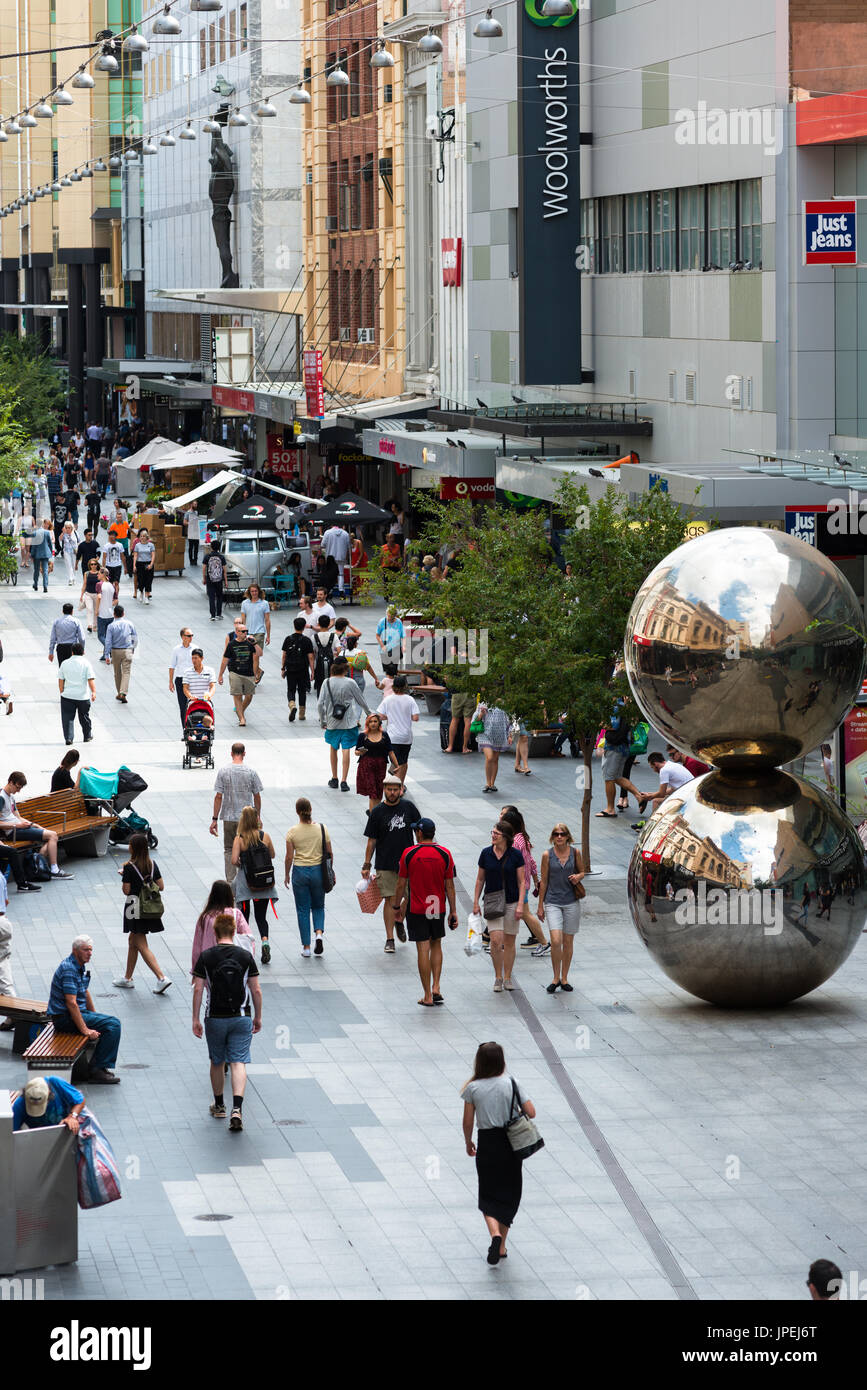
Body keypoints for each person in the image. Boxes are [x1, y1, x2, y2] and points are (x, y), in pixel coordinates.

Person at [461, 1041, 536, 1265]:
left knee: (488, 1193)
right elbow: (531, 1112)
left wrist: (468, 1142)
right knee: (511, 1193)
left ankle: (494, 1234)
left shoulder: (473, 1088)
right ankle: (502, 1244)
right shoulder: (512, 1082)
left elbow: (467, 1122)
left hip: (488, 1143)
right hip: (511, 1144)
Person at [192, 911, 263, 1131]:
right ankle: (238, 1109)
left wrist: (195, 1018)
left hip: (215, 1017)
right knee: (238, 1062)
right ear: (234, 931)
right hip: (241, 1017)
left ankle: (220, 1105)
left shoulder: (207, 956)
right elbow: (256, 989)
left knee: (217, 1061)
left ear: (214, 932)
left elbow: (198, 988)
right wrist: (258, 1016)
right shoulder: (245, 956)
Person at [394, 818, 457, 1006]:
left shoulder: (409, 853)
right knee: (436, 944)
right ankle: (436, 986)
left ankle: (427, 995)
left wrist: (397, 906)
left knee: (423, 948)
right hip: (436, 905)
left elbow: (400, 883)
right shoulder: (445, 854)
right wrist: (453, 911)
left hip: (417, 906)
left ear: (420, 833)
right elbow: (450, 886)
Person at [47, 934, 120, 1083]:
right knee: (113, 1024)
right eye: (86, 950)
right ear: (75, 950)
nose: (90, 953)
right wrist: (85, 1029)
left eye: (91, 950)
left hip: (76, 1013)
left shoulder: (78, 966)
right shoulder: (69, 969)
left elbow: (85, 992)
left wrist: (94, 1015)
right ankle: (97, 1070)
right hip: (65, 1018)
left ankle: (99, 1066)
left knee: (109, 1022)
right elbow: (71, 1003)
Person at [362, 774, 420, 953]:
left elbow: (419, 832)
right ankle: (390, 938)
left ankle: (399, 919)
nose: (393, 793)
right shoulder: (377, 812)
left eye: (396, 789)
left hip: (408, 863)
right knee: (389, 899)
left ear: (401, 790)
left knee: (411, 897)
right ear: (384, 790)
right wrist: (366, 864)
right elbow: (371, 840)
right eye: (389, 789)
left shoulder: (409, 807)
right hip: (385, 863)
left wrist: (421, 853)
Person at [113, 833, 172, 994]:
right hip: (149, 908)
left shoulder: (129, 867)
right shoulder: (152, 864)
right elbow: (161, 886)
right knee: (132, 940)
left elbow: (126, 891)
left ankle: (161, 977)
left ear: (133, 848)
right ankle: (127, 978)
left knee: (140, 943)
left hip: (134, 907)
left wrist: (125, 876)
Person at [473, 820, 525, 992]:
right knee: (496, 941)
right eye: (492, 832)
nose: (493, 836)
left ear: (506, 837)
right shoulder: (486, 853)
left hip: (511, 901)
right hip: (492, 901)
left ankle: (508, 977)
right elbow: (480, 879)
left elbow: (522, 882)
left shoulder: (516, 855)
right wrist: (475, 902)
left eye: (497, 833)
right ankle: (498, 976)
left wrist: (520, 905)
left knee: (509, 942)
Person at [537, 824, 584, 993]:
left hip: (571, 901)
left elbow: (583, 871)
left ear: (567, 836)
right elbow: (544, 881)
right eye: (556, 834)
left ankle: (564, 978)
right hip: (553, 901)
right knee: (556, 940)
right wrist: (540, 905)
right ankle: (555, 977)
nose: (559, 837)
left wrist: (578, 876)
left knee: (568, 941)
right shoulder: (547, 855)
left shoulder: (575, 853)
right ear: (552, 836)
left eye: (562, 834)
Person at [0, 771, 73, 879]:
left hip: (20, 828)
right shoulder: (1, 797)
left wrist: (34, 825)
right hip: (13, 831)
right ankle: (54, 869)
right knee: (52, 835)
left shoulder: (10, 796)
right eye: (18, 787)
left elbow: (18, 817)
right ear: (11, 782)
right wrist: (18, 826)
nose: (18, 791)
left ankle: (41, 858)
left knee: (52, 835)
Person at [284, 797, 332, 958]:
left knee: (303, 910)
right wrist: (331, 871)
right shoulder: (322, 828)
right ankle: (318, 933)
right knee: (318, 906)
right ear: (311, 810)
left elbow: (289, 857)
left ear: (297, 812)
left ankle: (306, 947)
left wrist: (286, 875)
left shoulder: (292, 832)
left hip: (300, 872)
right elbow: (330, 853)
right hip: (319, 871)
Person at [231, 805, 277, 964]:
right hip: (263, 884)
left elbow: (233, 860)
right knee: (261, 917)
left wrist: (243, 864)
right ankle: (265, 942)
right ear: (257, 818)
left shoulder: (240, 839)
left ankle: (246, 948)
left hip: (246, 884)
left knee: (244, 917)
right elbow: (272, 854)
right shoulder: (265, 836)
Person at [211, 743, 263, 883]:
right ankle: (247, 878)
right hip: (247, 819)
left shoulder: (223, 771)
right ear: (244, 753)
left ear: (231, 753)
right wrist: (257, 816)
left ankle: (230, 882)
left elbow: (218, 796)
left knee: (229, 849)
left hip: (228, 817)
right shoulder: (251, 772)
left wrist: (215, 819)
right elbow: (257, 796)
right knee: (248, 847)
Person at [319, 655, 371, 791]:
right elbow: (361, 700)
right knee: (346, 749)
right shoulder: (350, 682)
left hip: (332, 722)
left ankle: (334, 777)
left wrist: (323, 720)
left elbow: (320, 703)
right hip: (349, 722)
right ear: (346, 668)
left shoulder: (327, 682)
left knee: (333, 747)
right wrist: (369, 713)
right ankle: (344, 780)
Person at [500, 806, 548, 954]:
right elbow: (531, 862)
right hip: (523, 883)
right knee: (515, 913)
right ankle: (501, 942)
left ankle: (544, 943)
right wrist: (534, 879)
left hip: (518, 884)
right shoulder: (522, 838)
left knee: (525, 914)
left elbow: (515, 864)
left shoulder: (515, 842)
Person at [191, 880, 253, 974]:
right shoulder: (236, 914)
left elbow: (197, 946)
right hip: (234, 962)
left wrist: (196, 970)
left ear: (212, 896)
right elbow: (249, 938)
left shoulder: (205, 918)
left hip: (210, 963)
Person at [218, 617, 262, 727]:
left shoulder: (250, 643)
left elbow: (260, 654)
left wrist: (255, 643)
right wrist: (220, 675)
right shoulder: (232, 644)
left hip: (249, 673)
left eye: (246, 631)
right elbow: (225, 660)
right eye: (243, 631)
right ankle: (242, 718)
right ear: (237, 632)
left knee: (249, 696)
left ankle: (240, 710)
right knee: (237, 695)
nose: (245, 633)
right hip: (235, 672)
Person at [377, 673, 420, 784]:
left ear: (393, 686)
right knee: (404, 761)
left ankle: (396, 784)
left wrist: (390, 716)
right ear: (405, 686)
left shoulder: (388, 699)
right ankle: (400, 784)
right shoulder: (410, 700)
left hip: (392, 737)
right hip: (406, 736)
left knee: (396, 762)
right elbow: (415, 718)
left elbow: (380, 716)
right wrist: (405, 715)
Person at [12, 1075, 86, 1134]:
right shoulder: (19, 1105)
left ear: (49, 1094)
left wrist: (72, 1117)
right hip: (41, 1137)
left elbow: (80, 1100)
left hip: (67, 1129)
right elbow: (11, 1133)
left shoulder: (55, 1083)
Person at [355, 712, 398, 809]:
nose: (373, 723)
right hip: (367, 765)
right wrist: (360, 752)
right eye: (370, 721)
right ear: (367, 723)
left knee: (379, 792)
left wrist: (396, 765)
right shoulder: (363, 735)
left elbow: (390, 751)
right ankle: (372, 815)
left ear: (379, 723)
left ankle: (374, 811)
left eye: (375, 721)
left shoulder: (384, 735)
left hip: (381, 765)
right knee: (372, 792)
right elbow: (356, 751)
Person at [58, 642, 96, 746]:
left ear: (72, 652)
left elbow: (61, 679)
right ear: (83, 652)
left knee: (67, 718)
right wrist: (93, 692)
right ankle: (87, 735)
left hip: (67, 696)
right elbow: (90, 679)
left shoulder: (65, 663)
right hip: (82, 696)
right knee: (84, 717)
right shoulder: (86, 663)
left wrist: (61, 690)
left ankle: (69, 738)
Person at [281, 617, 315, 722]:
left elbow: (284, 655)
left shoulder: (288, 639)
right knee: (302, 691)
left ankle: (292, 705)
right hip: (303, 669)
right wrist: (312, 671)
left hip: (290, 668)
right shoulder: (307, 640)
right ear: (304, 627)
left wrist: (283, 668)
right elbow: (311, 657)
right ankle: (301, 714)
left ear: (294, 625)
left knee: (291, 689)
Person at [103, 603, 138, 703]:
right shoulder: (130, 624)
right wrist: (133, 648)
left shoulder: (111, 626)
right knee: (126, 672)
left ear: (114, 614)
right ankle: (123, 692)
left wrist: (107, 655)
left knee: (117, 673)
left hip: (115, 650)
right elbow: (135, 638)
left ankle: (120, 693)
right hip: (128, 650)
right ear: (123, 614)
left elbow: (108, 641)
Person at [475, 701, 512, 794]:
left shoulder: (505, 703)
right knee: (490, 757)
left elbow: (509, 720)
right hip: (485, 734)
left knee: (495, 759)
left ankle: (492, 784)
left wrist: (510, 735)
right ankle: (487, 783)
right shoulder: (483, 703)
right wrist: (481, 714)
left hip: (499, 735)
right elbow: (475, 720)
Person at [169, 626, 196, 726]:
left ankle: (194, 727)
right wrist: (170, 681)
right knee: (183, 706)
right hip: (180, 680)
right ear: (183, 637)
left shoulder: (195, 648)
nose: (191, 637)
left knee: (194, 703)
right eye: (188, 635)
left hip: (193, 679)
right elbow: (172, 666)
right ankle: (185, 729)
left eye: (192, 635)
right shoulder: (176, 649)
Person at [182, 648, 217, 720]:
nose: (194, 660)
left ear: (202, 658)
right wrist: (190, 696)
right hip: (193, 703)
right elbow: (185, 688)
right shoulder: (187, 672)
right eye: (192, 658)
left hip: (205, 702)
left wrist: (210, 695)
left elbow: (212, 686)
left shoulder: (210, 671)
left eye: (196, 658)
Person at [48, 601, 86, 666]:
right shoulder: (76, 621)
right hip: (72, 648)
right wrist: (82, 649)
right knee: (73, 667)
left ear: (62, 611)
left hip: (61, 648)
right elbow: (81, 638)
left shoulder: (56, 622)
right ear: (72, 611)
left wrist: (51, 652)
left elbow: (53, 639)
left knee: (62, 668)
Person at [321, 522, 352, 594]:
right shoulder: (345, 533)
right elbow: (349, 546)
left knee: (330, 574)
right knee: (340, 573)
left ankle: (330, 590)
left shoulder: (327, 532)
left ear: (332, 525)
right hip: (341, 556)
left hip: (330, 557)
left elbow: (323, 545)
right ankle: (341, 590)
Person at [240, 583, 271, 655]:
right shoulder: (244, 603)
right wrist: (242, 633)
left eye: (256, 591)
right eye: (252, 591)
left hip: (259, 632)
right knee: (249, 657)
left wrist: (268, 636)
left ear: (259, 592)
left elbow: (267, 620)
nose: (254, 593)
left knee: (256, 657)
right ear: (249, 592)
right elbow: (243, 619)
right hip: (248, 633)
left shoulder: (264, 603)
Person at [312, 614, 337, 695]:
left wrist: (312, 670)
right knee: (331, 687)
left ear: (318, 624)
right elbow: (339, 650)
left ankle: (320, 703)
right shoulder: (334, 636)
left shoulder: (314, 637)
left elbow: (312, 654)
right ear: (329, 624)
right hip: (331, 665)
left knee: (320, 686)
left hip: (318, 665)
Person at [203, 541, 227, 621]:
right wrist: (226, 581)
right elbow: (224, 570)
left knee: (211, 597)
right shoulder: (221, 557)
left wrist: (204, 578)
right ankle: (219, 614)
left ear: (211, 547)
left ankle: (212, 615)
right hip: (219, 580)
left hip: (210, 580)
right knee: (219, 597)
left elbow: (204, 569)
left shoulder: (207, 556)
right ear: (219, 547)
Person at [29, 518, 55, 592]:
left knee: (36, 570)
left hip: (37, 554)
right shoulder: (47, 532)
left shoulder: (35, 533)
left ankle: (36, 584)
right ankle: (45, 586)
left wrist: (32, 554)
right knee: (45, 570)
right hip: (45, 553)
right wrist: (50, 552)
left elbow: (33, 545)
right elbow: (50, 543)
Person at [95, 568, 118, 649]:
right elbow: (116, 600)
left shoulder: (99, 584)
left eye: (98, 574)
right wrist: (109, 604)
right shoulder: (112, 586)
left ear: (103, 575)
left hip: (102, 614)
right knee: (107, 636)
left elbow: (99, 597)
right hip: (110, 615)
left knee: (100, 636)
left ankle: (110, 648)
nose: (97, 575)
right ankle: (105, 655)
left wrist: (96, 610)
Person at [132, 528, 156, 605]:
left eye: (144, 536)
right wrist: (134, 565)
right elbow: (135, 556)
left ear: (147, 537)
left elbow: (153, 555)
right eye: (141, 536)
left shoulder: (151, 545)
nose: (142, 537)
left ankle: (146, 597)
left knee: (148, 580)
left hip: (148, 563)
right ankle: (141, 592)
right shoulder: (137, 545)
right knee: (141, 580)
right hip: (140, 564)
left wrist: (151, 564)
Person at [79, 557, 101, 633]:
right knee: (89, 609)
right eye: (92, 564)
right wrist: (81, 595)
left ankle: (95, 625)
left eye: (95, 564)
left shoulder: (99, 573)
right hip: (88, 594)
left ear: (97, 565)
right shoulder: (87, 573)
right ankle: (89, 625)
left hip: (97, 594)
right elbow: (84, 584)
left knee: (96, 610)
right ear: (90, 565)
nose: (93, 566)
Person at [59, 520, 79, 585]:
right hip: (66, 551)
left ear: (71, 528)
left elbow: (78, 541)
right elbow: (60, 539)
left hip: (74, 551)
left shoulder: (75, 533)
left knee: (73, 565)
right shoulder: (64, 534)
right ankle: (70, 578)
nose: (67, 529)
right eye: (66, 527)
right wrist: (63, 532)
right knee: (68, 565)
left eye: (69, 528)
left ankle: (74, 578)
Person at [184, 501, 201, 566]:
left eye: (196, 504)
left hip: (196, 532)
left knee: (196, 548)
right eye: (195, 504)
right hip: (190, 532)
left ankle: (195, 560)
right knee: (191, 547)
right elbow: (184, 522)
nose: (196, 505)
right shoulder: (187, 513)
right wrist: (190, 523)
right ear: (191, 505)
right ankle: (191, 560)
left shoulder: (196, 512)